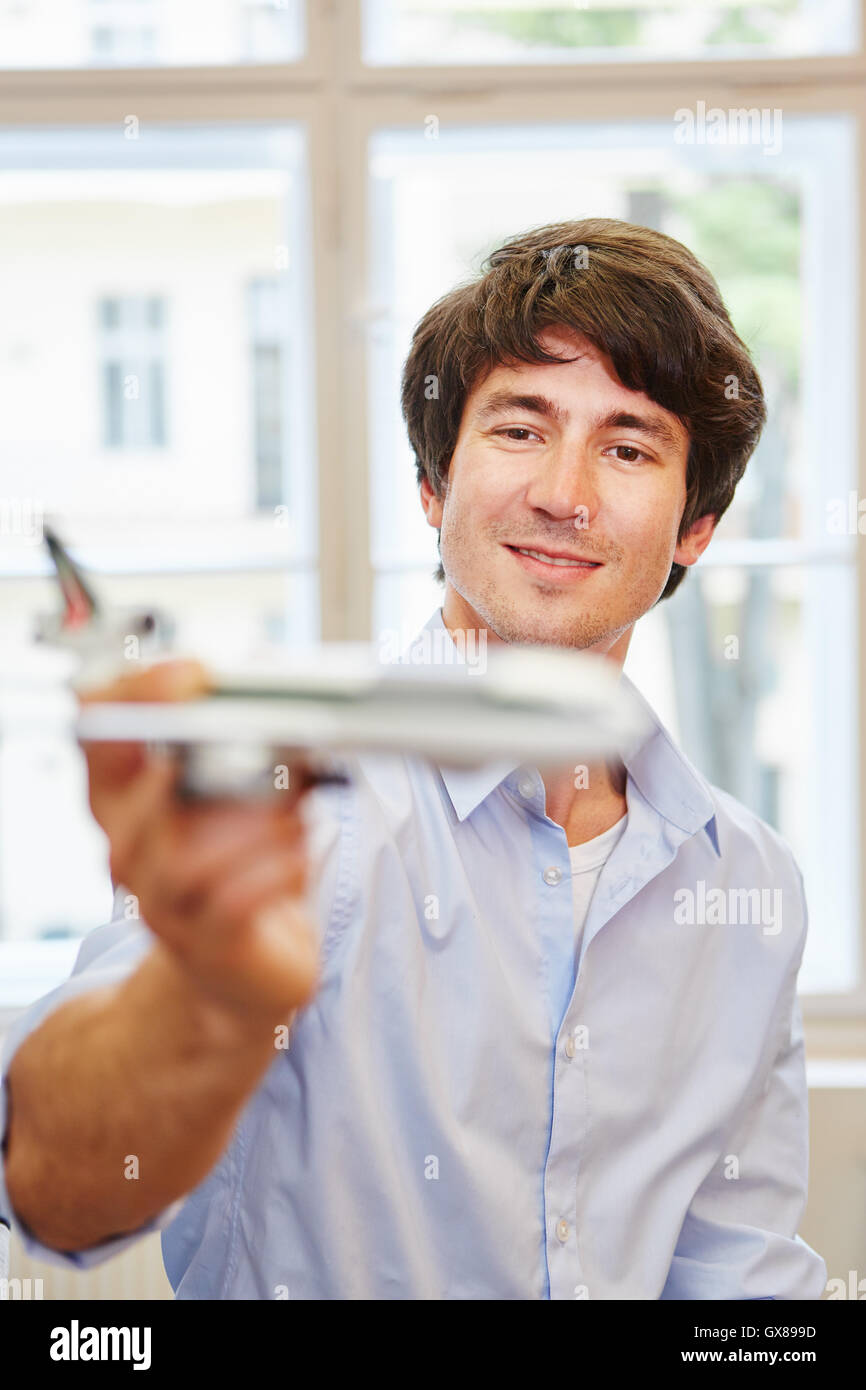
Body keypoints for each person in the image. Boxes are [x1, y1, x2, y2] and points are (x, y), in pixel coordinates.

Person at [0, 218, 826, 1299]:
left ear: (696, 526)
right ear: (433, 489)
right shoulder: (289, 807)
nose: (564, 493)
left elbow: (738, 1281)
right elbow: (57, 1190)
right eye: (520, 429)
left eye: (627, 446)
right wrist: (213, 994)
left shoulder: (745, 881)